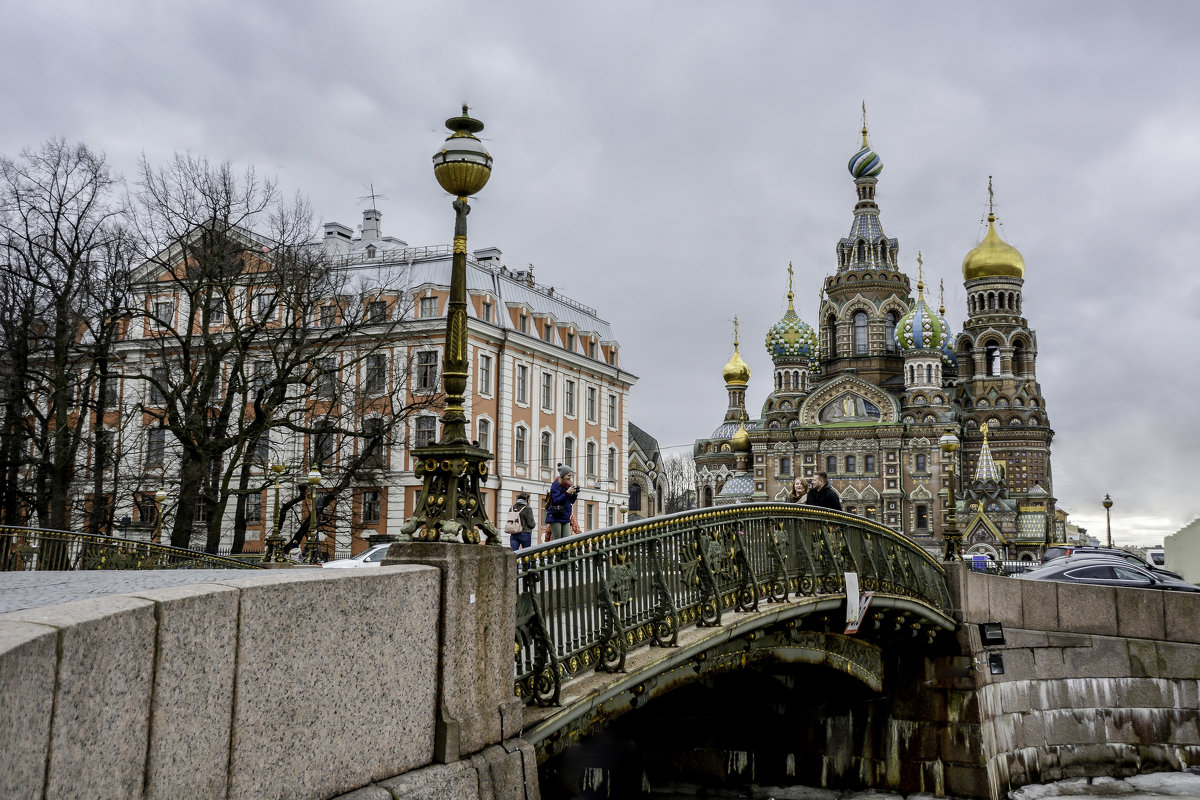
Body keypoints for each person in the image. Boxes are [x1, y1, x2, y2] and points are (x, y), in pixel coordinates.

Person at [546, 464, 579, 541]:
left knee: (567, 541)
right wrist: (567, 492)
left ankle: (565, 554)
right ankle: (557, 553)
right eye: (568, 475)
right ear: (563, 475)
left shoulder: (569, 485)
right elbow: (555, 501)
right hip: (556, 516)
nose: (570, 477)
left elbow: (571, 501)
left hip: (566, 515)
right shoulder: (556, 484)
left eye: (571, 476)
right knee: (557, 541)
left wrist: (575, 494)